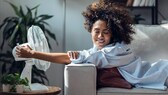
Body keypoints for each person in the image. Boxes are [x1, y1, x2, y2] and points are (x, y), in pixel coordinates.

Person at [16, 0, 168, 90]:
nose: (100, 36)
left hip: (163, 73)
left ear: (113, 33)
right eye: (96, 31)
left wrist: (33, 54)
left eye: (106, 32)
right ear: (90, 30)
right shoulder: (100, 50)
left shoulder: (116, 50)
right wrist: (79, 56)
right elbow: (82, 56)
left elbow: (67, 58)